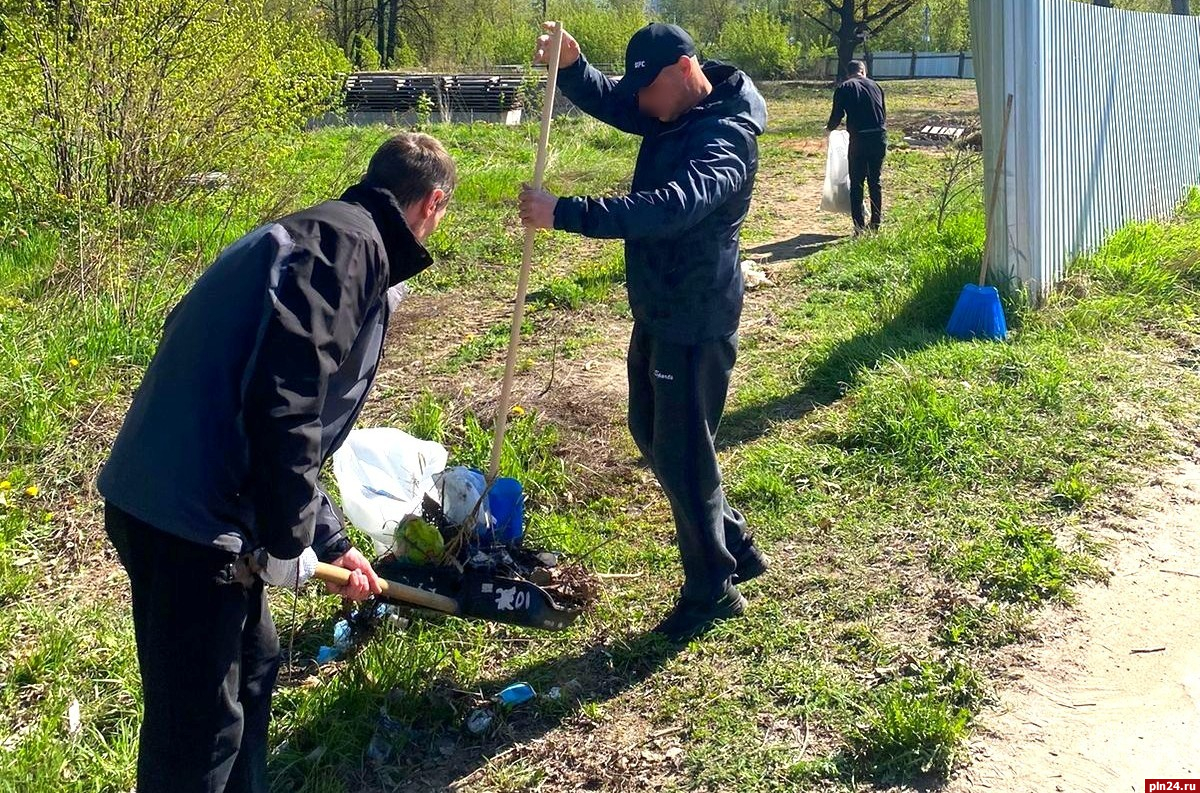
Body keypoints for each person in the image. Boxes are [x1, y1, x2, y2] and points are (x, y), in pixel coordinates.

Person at [98, 132, 456, 792]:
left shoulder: (317, 235)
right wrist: (290, 539)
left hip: (166, 496)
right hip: (191, 522)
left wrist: (330, 541)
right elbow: (283, 398)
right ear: (433, 202)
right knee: (197, 731)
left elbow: (287, 419)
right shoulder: (352, 249)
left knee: (255, 665)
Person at [518, 22, 769, 643]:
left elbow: (671, 206)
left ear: (685, 69)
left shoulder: (726, 136)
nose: (643, 105)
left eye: (650, 89)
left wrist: (566, 213)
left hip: (695, 314)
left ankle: (712, 587)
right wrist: (576, 70)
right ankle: (733, 540)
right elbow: (618, 101)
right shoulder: (675, 105)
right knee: (653, 433)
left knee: (682, 452)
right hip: (660, 305)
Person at [827, 59, 887, 233]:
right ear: (864, 71)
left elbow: (836, 116)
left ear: (848, 73)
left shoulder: (844, 88)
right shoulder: (876, 86)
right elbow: (883, 113)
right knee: (875, 181)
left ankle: (859, 226)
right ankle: (876, 223)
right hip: (879, 136)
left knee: (857, 182)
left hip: (859, 139)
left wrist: (829, 128)